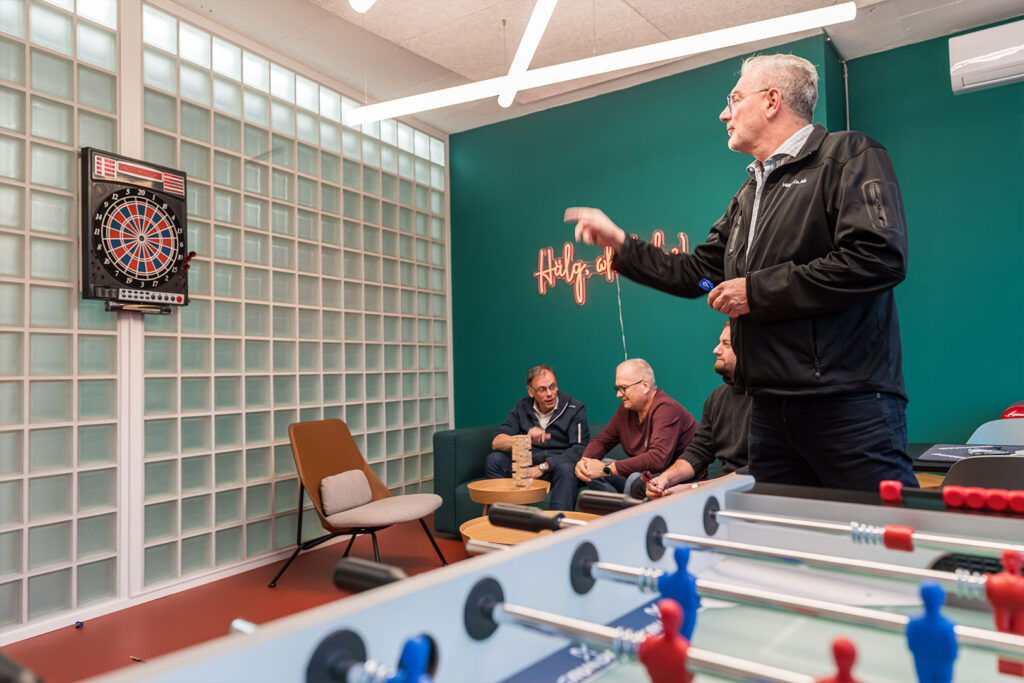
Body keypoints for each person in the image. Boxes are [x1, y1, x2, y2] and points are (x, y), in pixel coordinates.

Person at [565, 53, 918, 491]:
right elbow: (697, 274)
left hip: (847, 404)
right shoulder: (748, 195)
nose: (723, 113)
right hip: (767, 410)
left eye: (733, 99)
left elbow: (877, 257)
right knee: (777, 542)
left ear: (772, 101)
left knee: (877, 539)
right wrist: (622, 244)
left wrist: (757, 291)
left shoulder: (848, 155)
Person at [647, 323, 751, 499]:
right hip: (719, 491)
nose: (716, 350)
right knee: (641, 486)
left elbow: (760, 470)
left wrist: (694, 488)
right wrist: (666, 479)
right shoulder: (716, 398)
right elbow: (698, 451)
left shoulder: (771, 400)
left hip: (755, 493)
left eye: (726, 344)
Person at [575, 359, 697, 493]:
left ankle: (626, 512)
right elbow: (603, 441)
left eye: (624, 388)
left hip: (674, 480)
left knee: (634, 477)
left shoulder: (666, 409)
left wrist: (607, 469)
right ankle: (615, 511)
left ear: (645, 386)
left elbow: (657, 459)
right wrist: (585, 461)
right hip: (645, 475)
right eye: (617, 388)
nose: (618, 394)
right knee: (593, 468)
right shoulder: (626, 409)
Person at [485, 365, 589, 511]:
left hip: (557, 469)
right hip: (527, 468)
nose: (550, 394)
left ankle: (557, 528)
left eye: (552, 387)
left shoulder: (574, 408)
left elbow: (580, 449)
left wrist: (543, 467)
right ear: (530, 391)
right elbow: (497, 442)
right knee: (494, 460)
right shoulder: (521, 407)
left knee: (566, 468)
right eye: (543, 389)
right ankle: (505, 515)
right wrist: (525, 439)